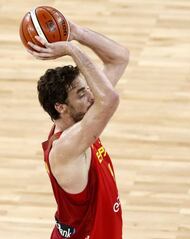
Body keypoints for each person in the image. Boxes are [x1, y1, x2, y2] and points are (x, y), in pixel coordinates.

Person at [27, 19, 129, 239]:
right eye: (82, 93)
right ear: (61, 107)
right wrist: (71, 50)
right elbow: (109, 99)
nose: (92, 96)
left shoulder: (83, 118)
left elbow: (119, 59)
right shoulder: (66, 146)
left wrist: (78, 33)